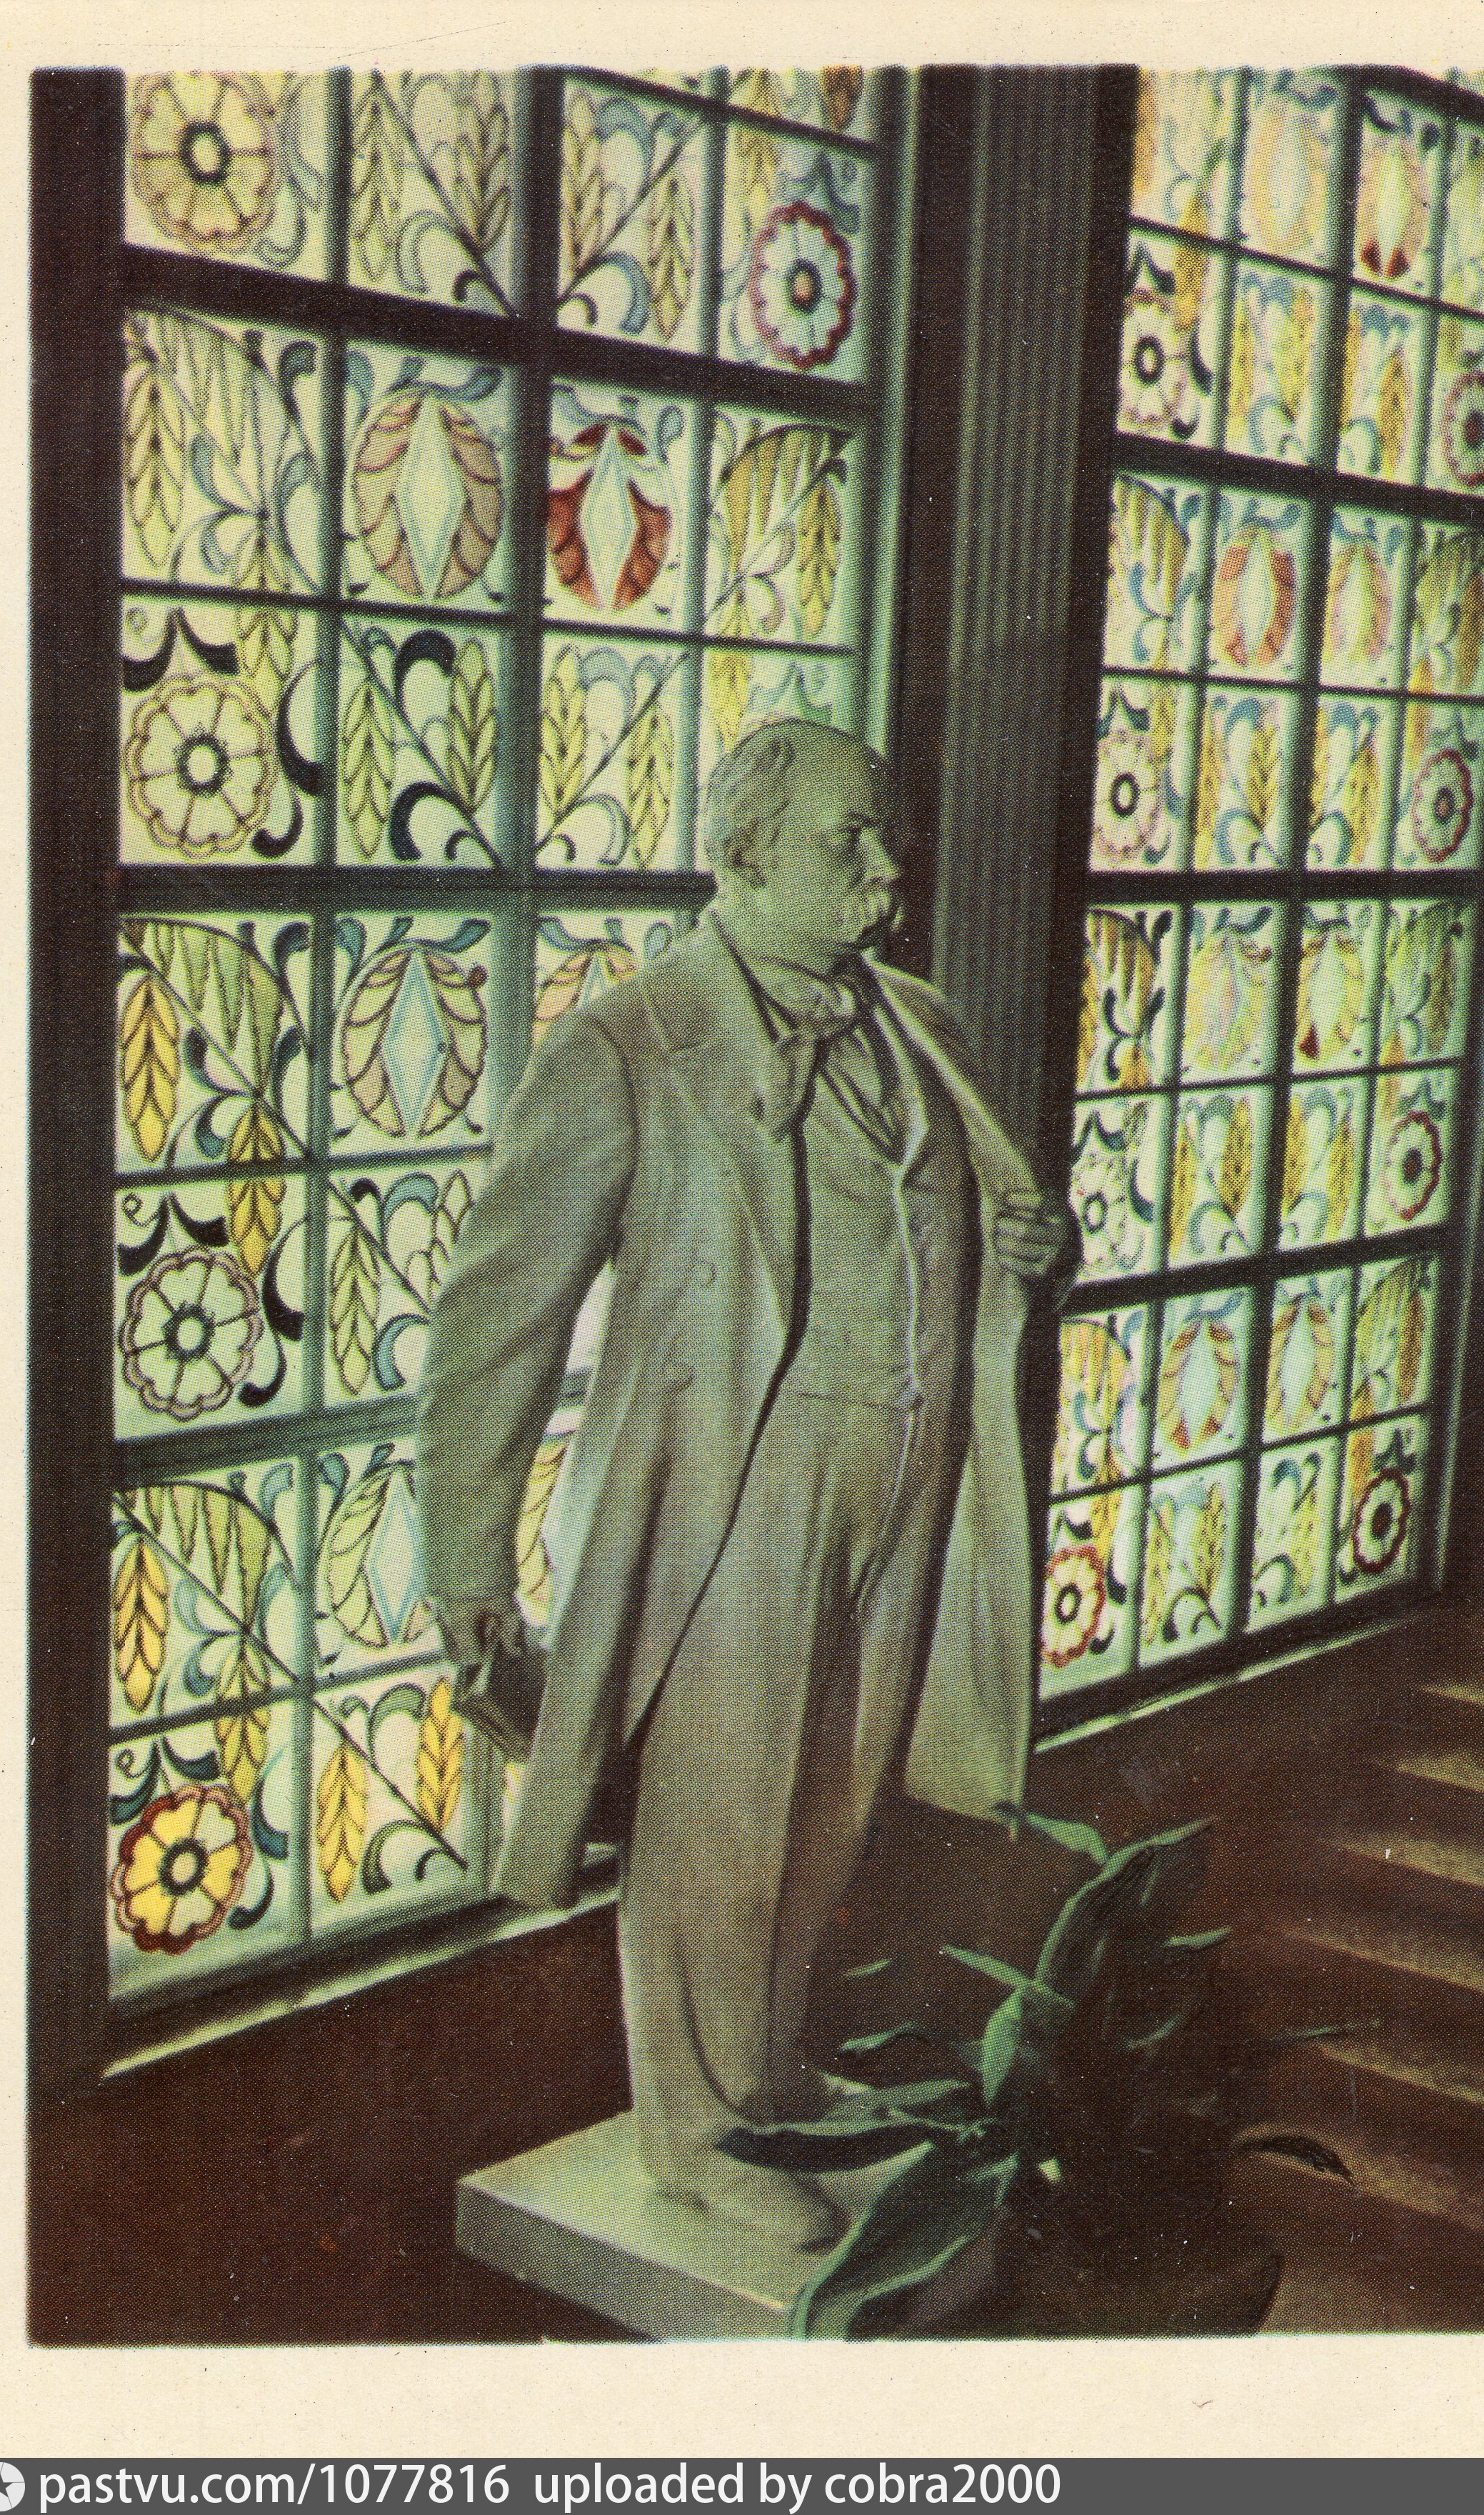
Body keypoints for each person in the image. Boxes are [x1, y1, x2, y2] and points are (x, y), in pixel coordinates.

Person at [416, 720, 1070, 2249]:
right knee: (718, 1810)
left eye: (886, 834)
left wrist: (1034, 1257)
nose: (888, 868)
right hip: (733, 1498)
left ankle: (765, 2069)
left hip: (907, 1478)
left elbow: (975, 1226)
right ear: (746, 854)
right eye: (850, 841)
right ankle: (697, 2127)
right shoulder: (628, 1047)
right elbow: (495, 1321)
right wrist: (467, 1566)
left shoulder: (921, 1023)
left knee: (832, 1798)